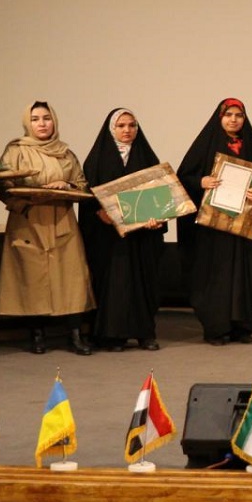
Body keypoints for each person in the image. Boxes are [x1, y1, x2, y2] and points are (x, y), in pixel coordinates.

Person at [0, 102, 95, 355]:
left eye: (46, 118)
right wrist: (27, 203)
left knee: (71, 279)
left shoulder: (65, 153)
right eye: (35, 119)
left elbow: (82, 184)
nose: (42, 123)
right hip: (29, 222)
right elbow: (3, 186)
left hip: (62, 221)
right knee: (33, 279)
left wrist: (67, 186)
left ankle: (75, 335)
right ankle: (37, 334)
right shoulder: (16, 151)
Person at [176, 98, 252, 345]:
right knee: (216, 275)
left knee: (245, 274)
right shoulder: (205, 145)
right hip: (213, 229)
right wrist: (201, 182)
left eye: (239, 115)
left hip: (243, 226)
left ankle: (242, 328)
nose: (234, 120)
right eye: (228, 115)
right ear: (219, 118)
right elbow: (183, 177)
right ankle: (216, 328)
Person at [79, 108, 165, 352]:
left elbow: (160, 196)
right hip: (109, 238)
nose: (127, 130)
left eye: (132, 125)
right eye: (121, 126)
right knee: (113, 283)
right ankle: (111, 335)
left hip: (141, 237)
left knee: (142, 282)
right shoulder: (96, 160)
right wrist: (99, 213)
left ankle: (144, 333)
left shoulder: (148, 158)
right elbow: (88, 198)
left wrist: (158, 219)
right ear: (111, 129)